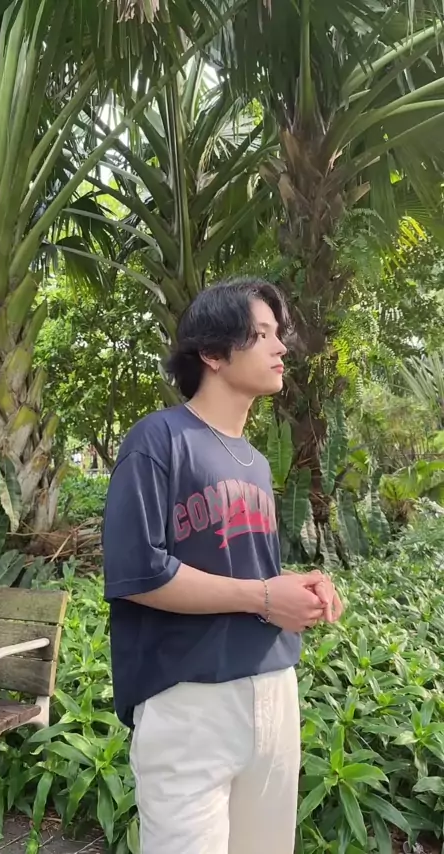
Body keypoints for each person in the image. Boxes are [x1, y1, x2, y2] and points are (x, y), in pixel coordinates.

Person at [103, 277, 343, 854]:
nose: (280, 347)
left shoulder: (256, 463)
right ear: (212, 352)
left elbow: (248, 571)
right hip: (189, 699)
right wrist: (265, 596)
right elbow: (140, 572)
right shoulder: (158, 439)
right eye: (260, 334)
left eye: (278, 334)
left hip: (272, 689)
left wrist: (298, 589)